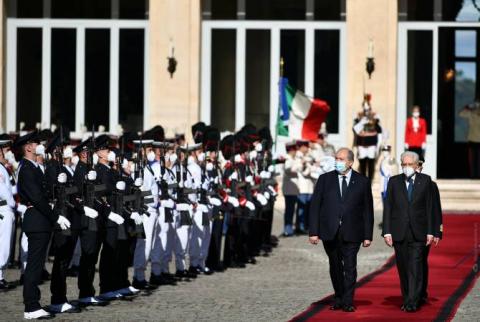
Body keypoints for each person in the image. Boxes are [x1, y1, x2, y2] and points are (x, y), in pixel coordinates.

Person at [309, 147, 374, 312]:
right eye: (336, 158)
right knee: (335, 266)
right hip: (330, 231)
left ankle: (348, 301)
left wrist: (368, 235)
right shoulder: (325, 179)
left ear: (350, 162)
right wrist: (314, 232)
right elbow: (315, 206)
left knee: (350, 267)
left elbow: (367, 210)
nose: (337, 162)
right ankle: (338, 297)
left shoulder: (362, 181)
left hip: (353, 231)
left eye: (341, 159)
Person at [16, 131, 71, 320]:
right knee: (34, 265)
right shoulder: (26, 168)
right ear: (28, 147)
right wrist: (56, 217)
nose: (39, 145)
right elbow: (38, 198)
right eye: (35, 143)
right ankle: (31, 306)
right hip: (37, 220)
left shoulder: (35, 166)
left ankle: (34, 304)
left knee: (37, 265)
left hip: (42, 220)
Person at [382, 151, 434, 312]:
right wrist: (387, 231)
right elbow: (388, 208)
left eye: (409, 164)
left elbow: (430, 208)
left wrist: (432, 232)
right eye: (403, 164)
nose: (406, 167)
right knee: (403, 267)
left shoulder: (425, 181)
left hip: (419, 232)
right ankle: (407, 297)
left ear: (417, 165)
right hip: (399, 232)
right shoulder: (394, 182)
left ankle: (413, 301)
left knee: (416, 266)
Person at [416, 160, 443, 304]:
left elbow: (436, 209)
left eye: (417, 165)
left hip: (425, 231)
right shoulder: (400, 183)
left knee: (420, 261)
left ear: (421, 167)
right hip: (407, 232)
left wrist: (437, 232)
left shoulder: (431, 185)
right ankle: (412, 293)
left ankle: (421, 293)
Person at [353, 94, 382, 182]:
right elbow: (355, 129)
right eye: (365, 106)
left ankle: (370, 181)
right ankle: (363, 181)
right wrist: (361, 122)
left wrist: (378, 145)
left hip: (372, 143)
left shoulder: (374, 116)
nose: (366, 108)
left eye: (368, 106)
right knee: (362, 163)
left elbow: (378, 130)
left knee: (371, 164)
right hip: (362, 143)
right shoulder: (359, 116)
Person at [282, 141, 299, 237]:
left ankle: (289, 229)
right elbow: (288, 169)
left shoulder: (292, 158)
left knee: (291, 210)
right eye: (295, 149)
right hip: (289, 190)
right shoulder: (287, 159)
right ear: (291, 150)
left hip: (293, 189)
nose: (296, 151)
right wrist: (298, 166)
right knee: (289, 210)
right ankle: (287, 229)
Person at [459, 100, 480, 178]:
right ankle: (474, 175)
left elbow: (461, 113)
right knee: (473, 160)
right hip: (472, 139)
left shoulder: (471, 113)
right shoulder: (472, 113)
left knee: (473, 160)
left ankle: (474, 175)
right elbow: (461, 114)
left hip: (473, 139)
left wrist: (467, 107)